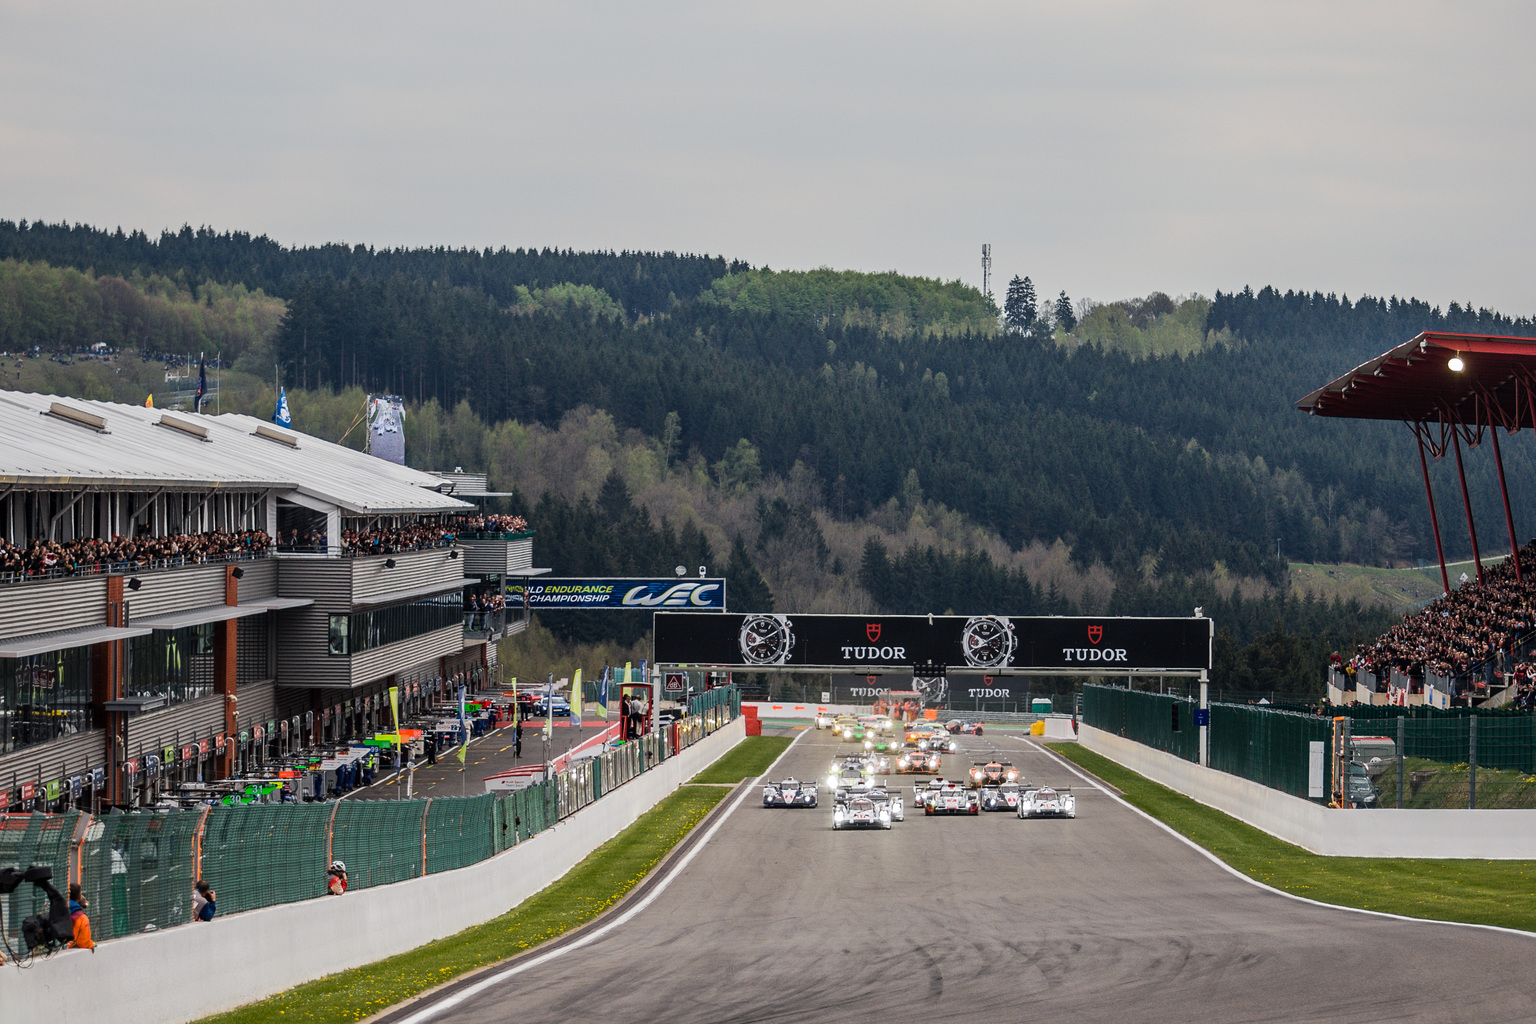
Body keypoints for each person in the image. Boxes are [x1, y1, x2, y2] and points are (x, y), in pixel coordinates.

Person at [67, 883, 95, 951]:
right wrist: (91, 944)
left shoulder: (59, 909)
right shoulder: (82, 917)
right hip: (70, 950)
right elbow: (83, 943)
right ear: (79, 896)